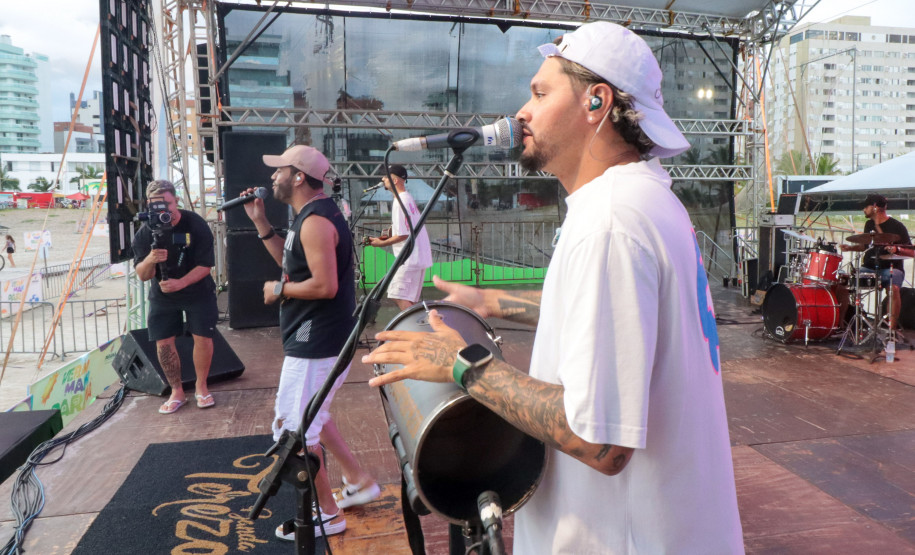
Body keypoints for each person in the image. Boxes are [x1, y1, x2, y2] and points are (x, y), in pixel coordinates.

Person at [363, 21, 744, 553]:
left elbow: (600, 440)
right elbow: (604, 318)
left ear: (596, 102)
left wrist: (459, 363)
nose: (522, 111)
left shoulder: (612, 221)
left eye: (540, 92)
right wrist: (489, 302)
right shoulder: (640, 201)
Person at [241, 145, 379, 541]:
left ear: (298, 176)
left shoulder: (316, 222)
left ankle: (328, 515)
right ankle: (358, 480)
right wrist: (261, 223)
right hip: (319, 338)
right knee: (314, 416)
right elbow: (292, 264)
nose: (272, 177)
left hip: (316, 340)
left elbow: (324, 285)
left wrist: (278, 289)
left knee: (294, 432)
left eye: (279, 169)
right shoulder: (307, 217)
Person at [132, 180, 218, 414]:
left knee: (202, 336)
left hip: (196, 289)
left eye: (167, 204)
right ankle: (177, 391)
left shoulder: (195, 224)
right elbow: (142, 274)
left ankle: (201, 386)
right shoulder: (144, 232)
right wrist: (150, 259)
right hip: (163, 293)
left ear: (176, 201)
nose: (162, 211)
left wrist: (181, 282)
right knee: (164, 341)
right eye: (155, 206)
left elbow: (206, 265)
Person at [841, 193, 912, 331]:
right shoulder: (869, 224)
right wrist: (850, 247)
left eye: (865, 207)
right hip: (869, 268)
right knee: (843, 283)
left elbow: (911, 252)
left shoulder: (897, 226)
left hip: (890, 269)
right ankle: (841, 324)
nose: (863, 210)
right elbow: (865, 246)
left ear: (874, 207)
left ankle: (891, 329)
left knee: (894, 289)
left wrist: (896, 249)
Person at [367, 164, 433, 311]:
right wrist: (387, 237)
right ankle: (422, 327)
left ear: (395, 180)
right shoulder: (407, 198)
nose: (383, 179)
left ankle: (419, 330)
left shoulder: (400, 201)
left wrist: (380, 243)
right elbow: (407, 228)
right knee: (407, 299)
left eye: (386, 176)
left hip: (409, 258)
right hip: (416, 256)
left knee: (397, 295)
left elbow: (403, 234)